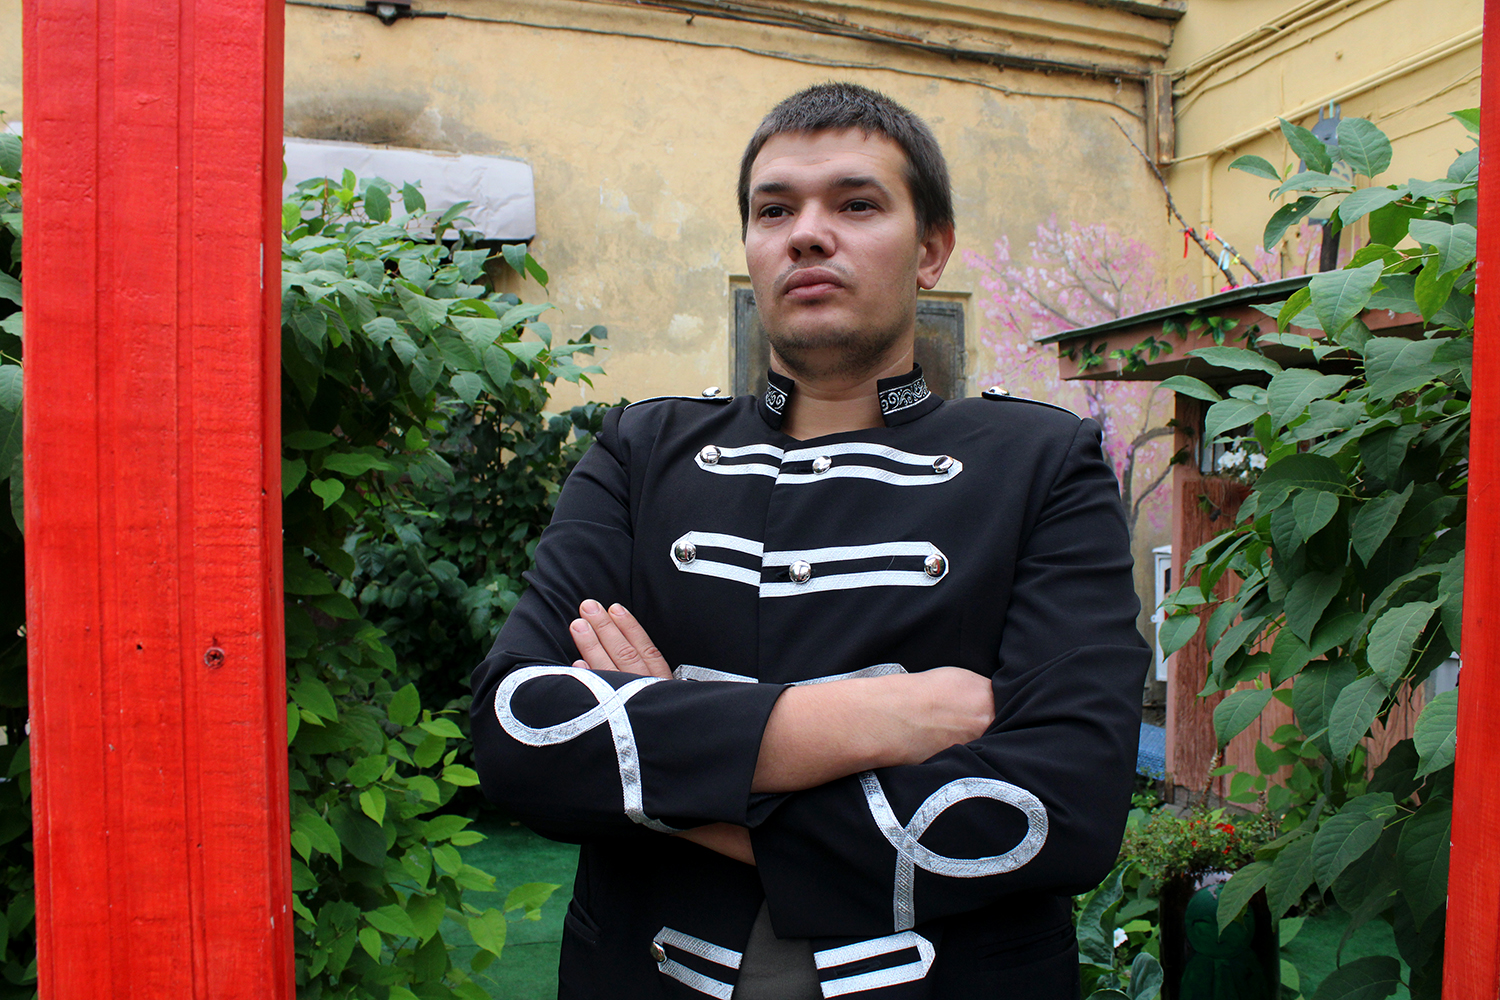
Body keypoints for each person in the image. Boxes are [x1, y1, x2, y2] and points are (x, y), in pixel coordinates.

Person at [469, 81, 1149, 999]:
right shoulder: (640, 450)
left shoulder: (1043, 463)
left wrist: (664, 755)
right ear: (751, 246)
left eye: (857, 204)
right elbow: (519, 731)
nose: (807, 234)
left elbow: (1056, 810)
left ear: (931, 251)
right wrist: (867, 720)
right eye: (775, 209)